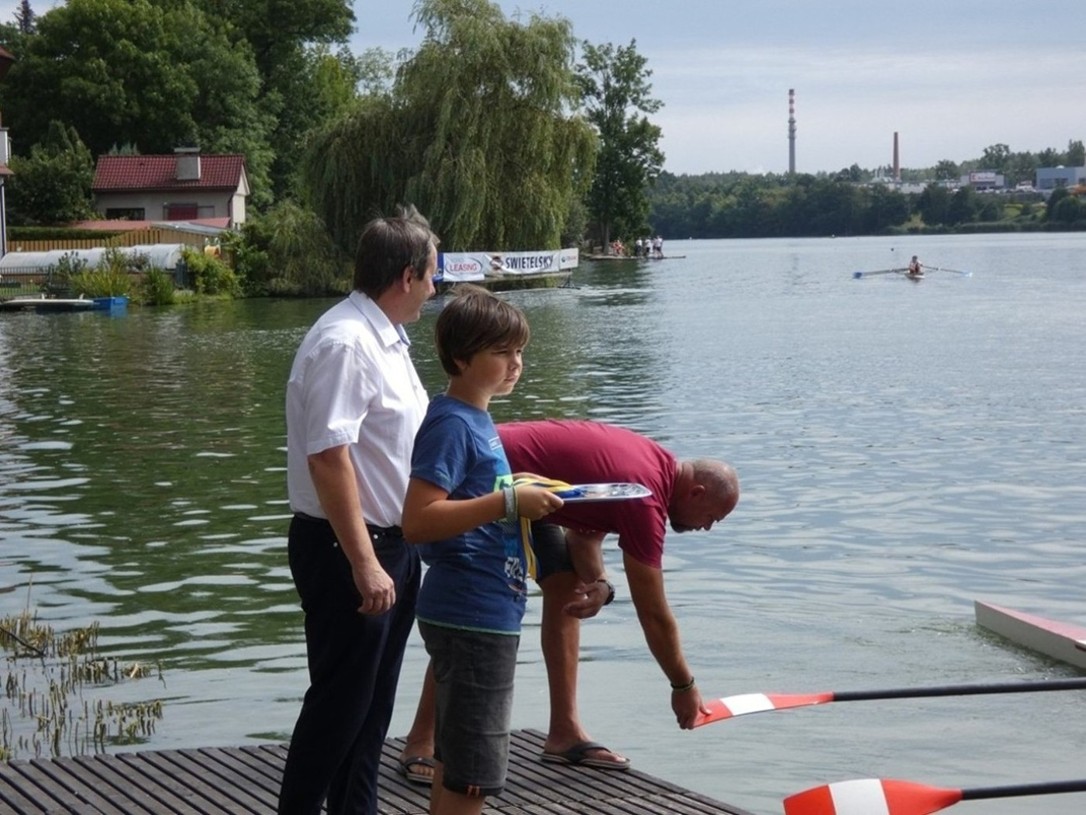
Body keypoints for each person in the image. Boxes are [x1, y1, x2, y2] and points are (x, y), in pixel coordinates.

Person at [397, 419, 739, 778]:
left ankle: (564, 733)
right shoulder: (645, 497)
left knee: (567, 589)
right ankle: (421, 741)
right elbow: (653, 613)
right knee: (475, 616)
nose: (706, 527)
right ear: (696, 493)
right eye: (712, 518)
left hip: (530, 492)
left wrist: (601, 583)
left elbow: (584, 535)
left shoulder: (651, 470)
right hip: (480, 479)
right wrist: (683, 685)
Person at [278, 205, 438, 815]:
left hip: (391, 544)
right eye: (431, 275)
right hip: (348, 547)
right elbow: (328, 456)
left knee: (371, 709)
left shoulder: (386, 339)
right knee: (339, 707)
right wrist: (365, 562)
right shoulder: (346, 342)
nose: (434, 288)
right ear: (406, 276)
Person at [401, 285, 560, 815]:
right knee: (474, 778)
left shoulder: (476, 418)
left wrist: (521, 497)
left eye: (520, 352)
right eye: (502, 352)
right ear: (462, 357)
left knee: (456, 764)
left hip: (484, 610)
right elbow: (417, 520)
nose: (516, 364)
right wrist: (508, 501)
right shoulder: (452, 423)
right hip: (471, 613)